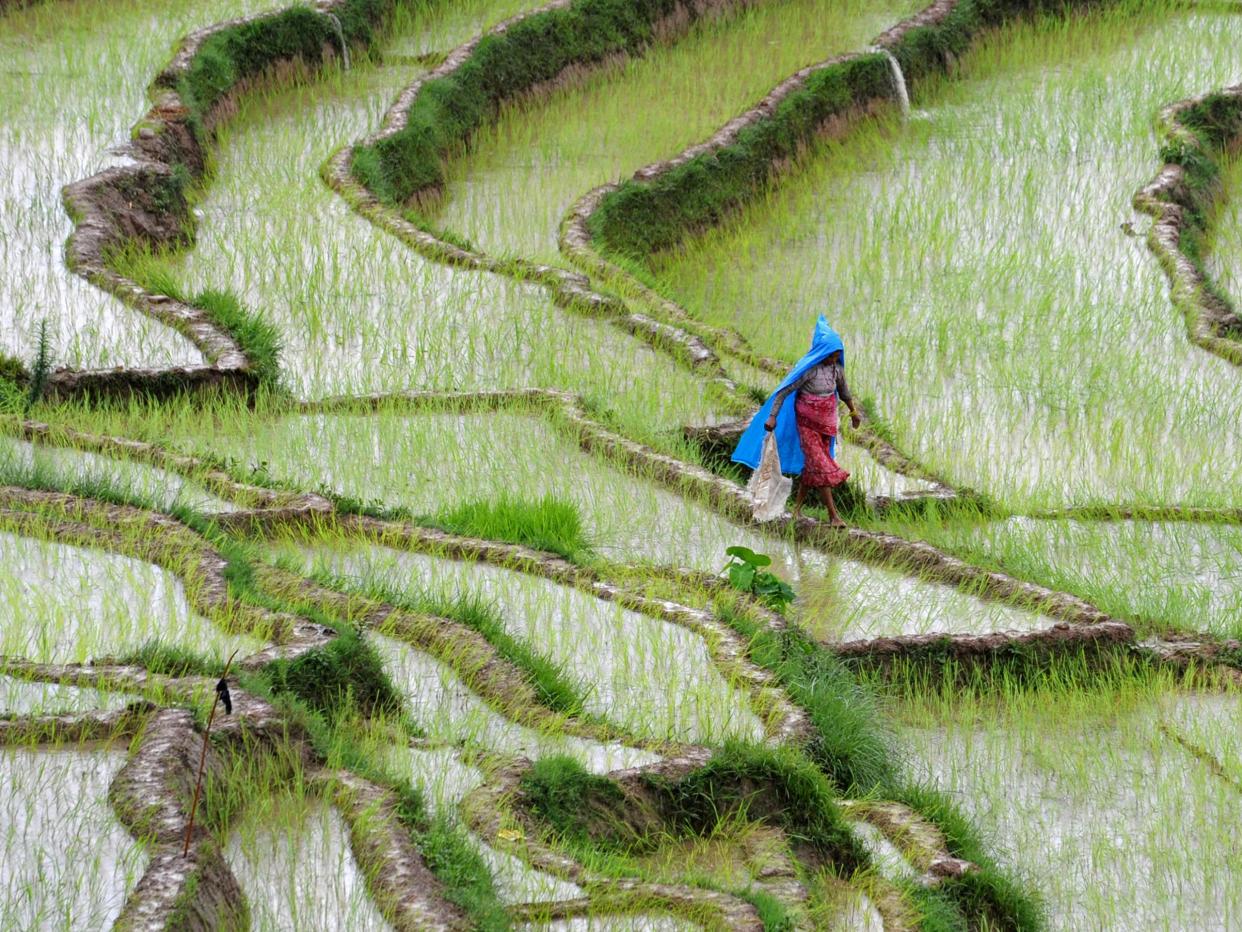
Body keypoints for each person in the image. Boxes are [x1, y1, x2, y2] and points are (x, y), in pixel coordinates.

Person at [731, 316, 861, 526]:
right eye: (831, 355)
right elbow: (784, 392)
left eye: (838, 355)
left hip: (827, 425)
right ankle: (833, 515)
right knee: (820, 465)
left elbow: (844, 393)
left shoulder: (837, 370)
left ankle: (797, 510)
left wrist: (854, 412)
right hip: (807, 425)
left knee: (812, 467)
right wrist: (772, 416)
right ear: (822, 352)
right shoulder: (808, 370)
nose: (835, 358)